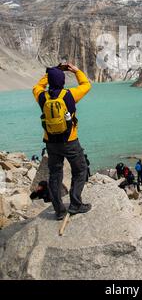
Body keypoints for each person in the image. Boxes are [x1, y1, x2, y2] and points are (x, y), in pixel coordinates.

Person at [33, 63, 92, 220]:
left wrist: (52, 72)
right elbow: (86, 84)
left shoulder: (41, 96)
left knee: (55, 174)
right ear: (63, 81)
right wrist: (77, 70)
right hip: (70, 141)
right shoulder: (69, 95)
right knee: (80, 170)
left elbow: (37, 86)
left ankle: (59, 210)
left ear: (50, 81)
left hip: (50, 143)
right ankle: (75, 204)